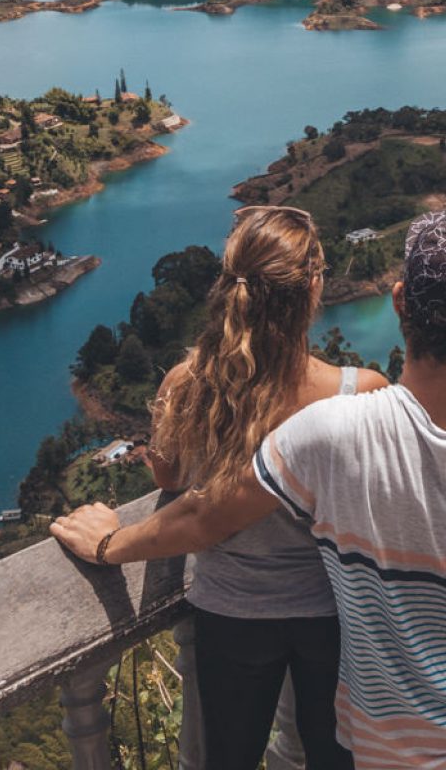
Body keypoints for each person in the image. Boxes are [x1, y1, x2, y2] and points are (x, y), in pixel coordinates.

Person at [53, 211, 446, 770]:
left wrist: (107, 545)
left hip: (381, 741)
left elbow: (203, 515)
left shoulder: (333, 429)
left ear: (399, 300)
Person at [145, 205, 385, 770]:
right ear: (314, 287)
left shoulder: (187, 385)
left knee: (226, 758)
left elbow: (167, 477)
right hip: (334, 615)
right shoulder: (361, 393)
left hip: (231, 611)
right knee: (336, 759)